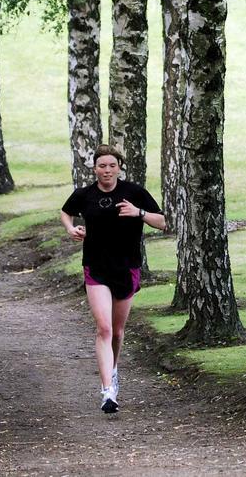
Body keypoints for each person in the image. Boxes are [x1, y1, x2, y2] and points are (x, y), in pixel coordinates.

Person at [60, 144, 164, 414]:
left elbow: (162, 221)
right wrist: (71, 228)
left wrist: (138, 213)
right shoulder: (85, 194)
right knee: (104, 328)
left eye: (111, 165)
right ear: (94, 168)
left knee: (117, 332)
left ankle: (113, 370)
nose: (107, 170)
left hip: (126, 267)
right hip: (95, 267)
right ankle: (108, 391)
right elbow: (66, 211)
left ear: (119, 167)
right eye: (102, 166)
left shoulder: (134, 193)